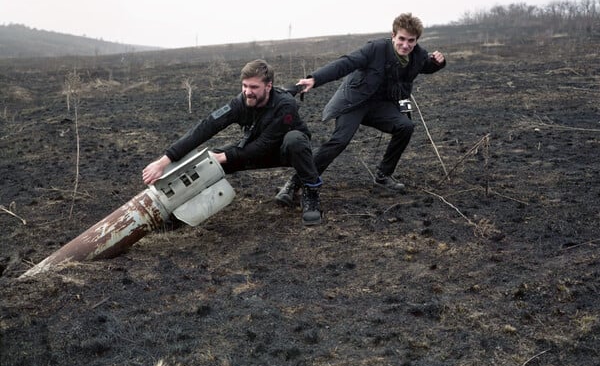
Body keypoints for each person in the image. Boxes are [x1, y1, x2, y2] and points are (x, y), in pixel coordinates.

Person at [275, 13, 446, 205]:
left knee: (405, 127)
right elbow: (346, 63)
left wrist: (439, 62)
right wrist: (315, 79)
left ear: (417, 40)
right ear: (393, 35)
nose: (405, 45)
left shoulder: (418, 56)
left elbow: (426, 66)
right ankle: (294, 184)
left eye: (411, 41)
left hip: (380, 107)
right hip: (354, 102)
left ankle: (383, 175)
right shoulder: (375, 49)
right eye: (401, 39)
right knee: (339, 142)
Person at [143, 59, 323, 226]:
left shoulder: (285, 105)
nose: (247, 91)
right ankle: (176, 216)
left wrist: (223, 157)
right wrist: (164, 160)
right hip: (252, 150)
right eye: (244, 86)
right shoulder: (240, 102)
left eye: (254, 87)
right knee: (204, 166)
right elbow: (206, 126)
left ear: (269, 86)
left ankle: (311, 193)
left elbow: (264, 145)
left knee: (296, 140)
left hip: (285, 152)